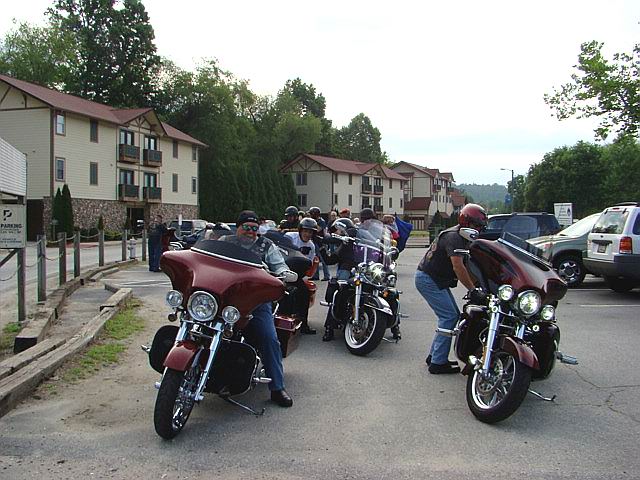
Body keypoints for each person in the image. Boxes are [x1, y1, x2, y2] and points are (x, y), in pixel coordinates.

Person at [220, 210, 295, 407]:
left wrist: (284, 274)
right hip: (224, 298)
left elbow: (279, 266)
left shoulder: (266, 245)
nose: (250, 232)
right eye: (246, 227)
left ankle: (277, 388)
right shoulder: (224, 241)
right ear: (238, 228)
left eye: (254, 228)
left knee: (269, 339)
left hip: (256, 301)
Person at [414, 203, 488, 374]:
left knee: (451, 315)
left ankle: (434, 356)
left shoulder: (461, 237)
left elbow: (468, 266)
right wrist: (472, 290)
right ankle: (438, 363)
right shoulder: (454, 237)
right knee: (449, 316)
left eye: (481, 226)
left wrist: (481, 285)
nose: (479, 230)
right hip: (428, 279)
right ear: (467, 222)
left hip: (433, 278)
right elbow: (458, 266)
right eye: (477, 225)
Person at [318, 217, 359, 341]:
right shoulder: (343, 245)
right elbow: (330, 260)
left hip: (363, 271)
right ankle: (329, 327)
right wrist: (322, 249)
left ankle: (394, 325)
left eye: (337, 231)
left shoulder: (355, 238)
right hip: (346, 271)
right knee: (340, 292)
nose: (336, 234)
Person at [284, 217, 319, 334]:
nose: (307, 234)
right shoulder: (290, 237)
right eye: (305, 231)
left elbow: (308, 264)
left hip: (296, 273)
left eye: (310, 232)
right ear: (300, 230)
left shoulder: (311, 246)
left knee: (304, 293)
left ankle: (304, 324)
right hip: (282, 269)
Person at [308, 207, 331, 281]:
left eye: (311, 214)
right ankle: (316, 275)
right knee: (315, 259)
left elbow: (318, 229)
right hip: (314, 241)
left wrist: (313, 224)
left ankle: (327, 276)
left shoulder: (321, 221)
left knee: (324, 259)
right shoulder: (313, 221)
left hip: (321, 242)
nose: (310, 215)